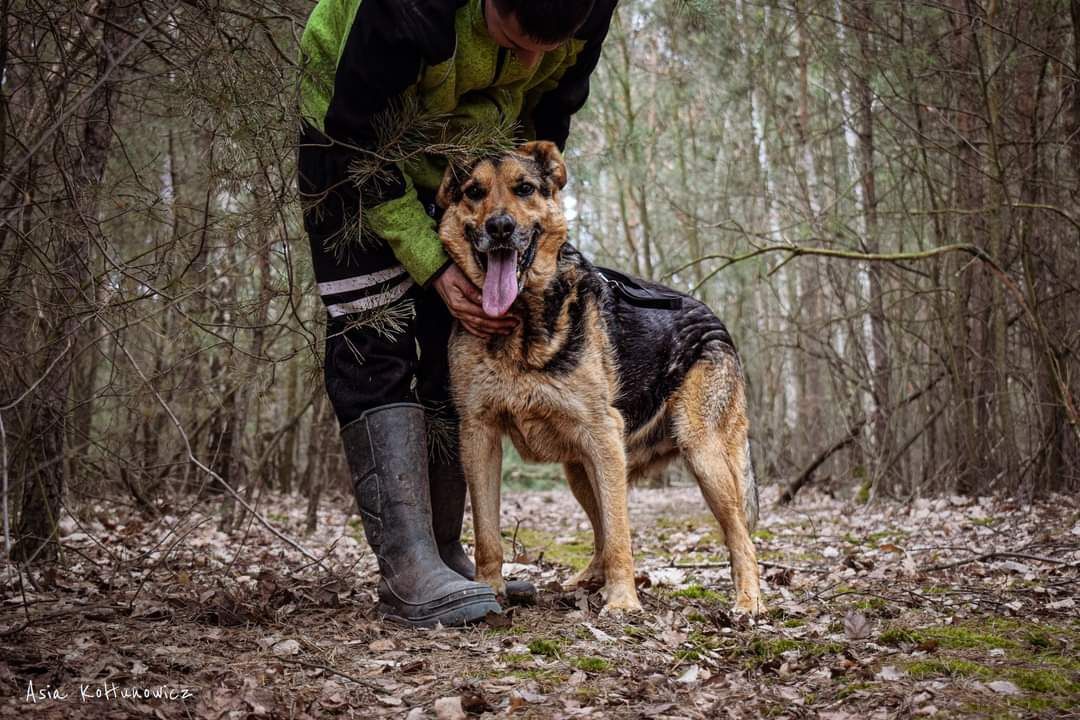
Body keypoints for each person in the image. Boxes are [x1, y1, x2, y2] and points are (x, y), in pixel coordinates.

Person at [297, 0, 617, 627]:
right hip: (352, 145)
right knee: (375, 335)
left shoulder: (586, 9)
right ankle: (408, 564)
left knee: (464, 340)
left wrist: (515, 223)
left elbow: (549, 114)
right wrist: (432, 263)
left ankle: (446, 553)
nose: (527, 63)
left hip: (473, 167)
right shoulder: (408, 12)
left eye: (546, 50)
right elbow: (354, 142)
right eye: (511, 39)